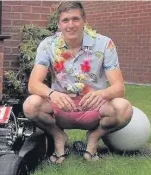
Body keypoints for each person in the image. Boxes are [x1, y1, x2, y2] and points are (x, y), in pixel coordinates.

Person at [23, 1, 133, 163]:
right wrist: (52, 94)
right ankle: (58, 136)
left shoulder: (104, 44)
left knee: (124, 108)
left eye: (75, 19)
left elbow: (119, 88)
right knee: (30, 105)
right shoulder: (48, 45)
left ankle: (94, 138)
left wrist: (102, 93)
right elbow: (33, 84)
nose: (71, 25)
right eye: (65, 20)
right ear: (59, 24)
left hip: (94, 106)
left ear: (84, 21)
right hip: (61, 107)